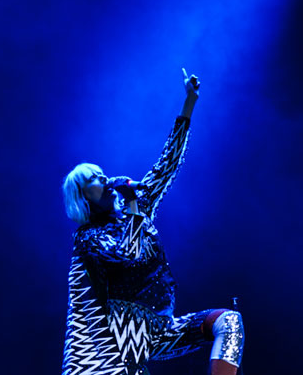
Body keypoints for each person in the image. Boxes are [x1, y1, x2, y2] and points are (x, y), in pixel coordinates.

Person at [61, 68, 245, 375]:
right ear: (82, 198)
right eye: (93, 178)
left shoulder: (135, 209)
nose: (103, 177)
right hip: (112, 340)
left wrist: (189, 102)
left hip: (157, 327)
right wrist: (133, 203)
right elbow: (128, 256)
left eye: (101, 172)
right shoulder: (88, 237)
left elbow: (166, 165)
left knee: (228, 323)